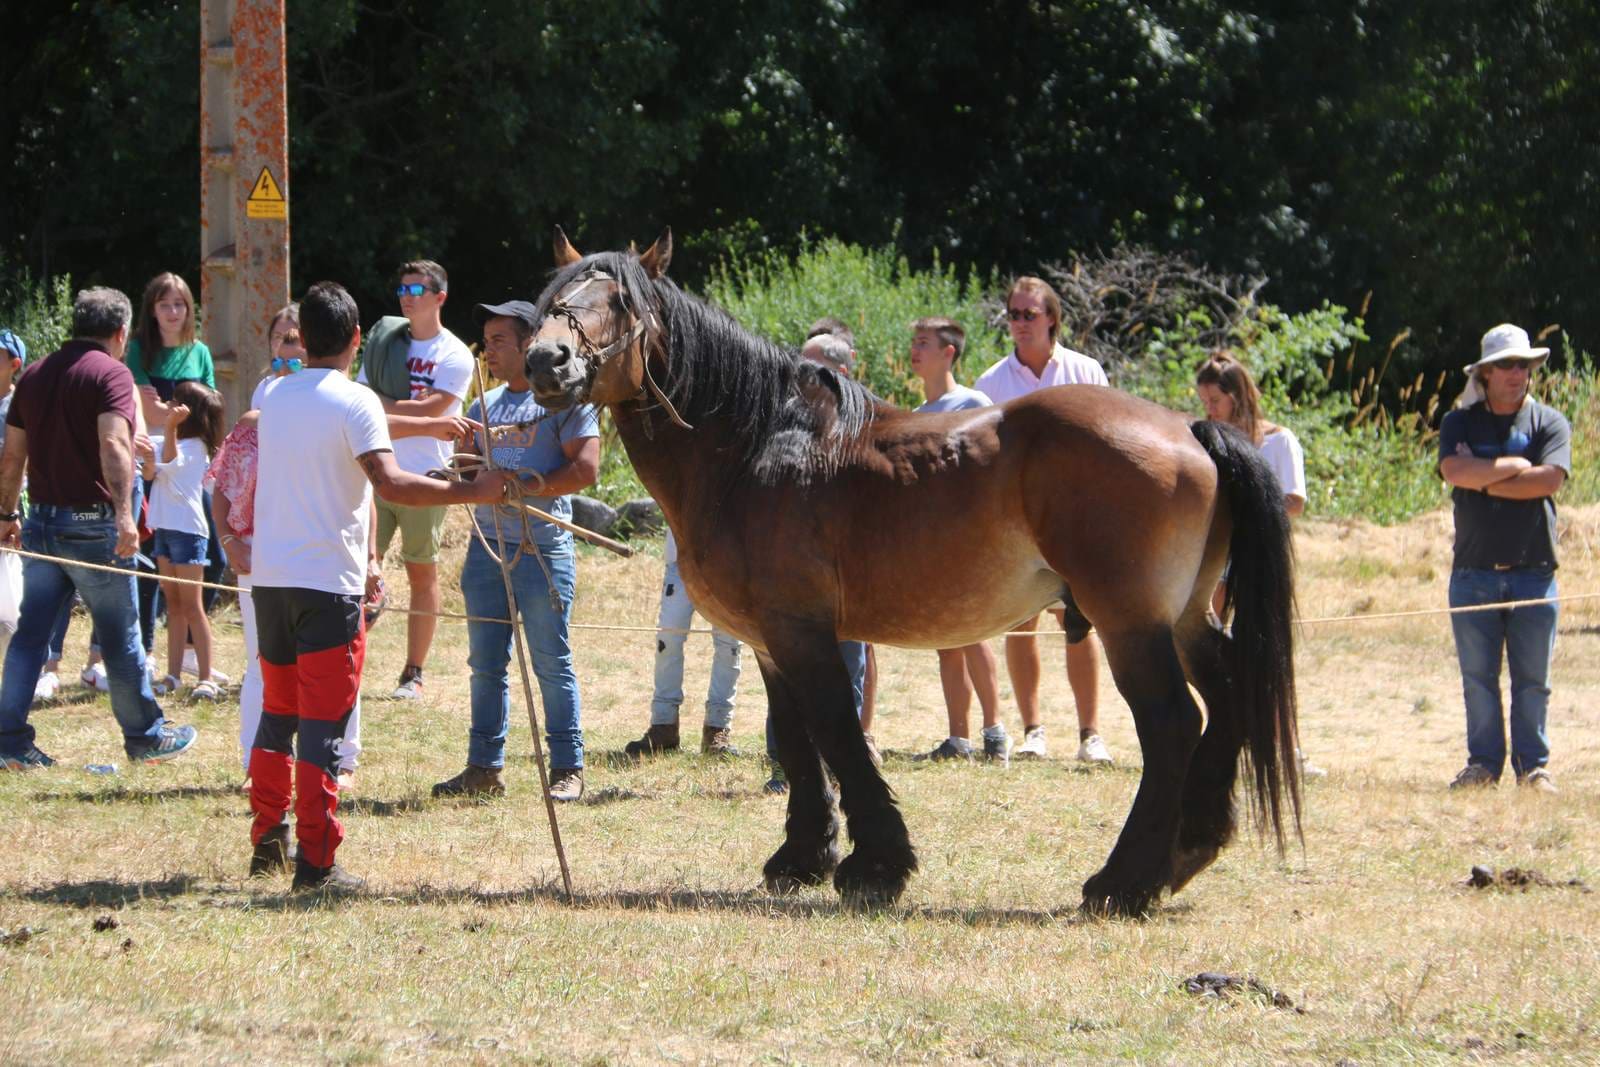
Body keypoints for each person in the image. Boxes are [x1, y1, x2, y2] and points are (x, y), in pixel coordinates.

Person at [246, 281, 515, 890]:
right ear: (358, 340)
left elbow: (339, 419)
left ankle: (268, 837)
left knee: (277, 713)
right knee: (321, 726)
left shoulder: (274, 393)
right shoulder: (356, 401)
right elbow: (390, 482)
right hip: (326, 587)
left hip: (271, 582)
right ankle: (316, 865)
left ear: (303, 336)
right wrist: (471, 490)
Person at [0, 287, 198, 769]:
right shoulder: (111, 373)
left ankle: (7, 742)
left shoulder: (35, 375)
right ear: (120, 332)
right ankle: (145, 737)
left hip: (44, 523)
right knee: (120, 633)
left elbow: (12, 456)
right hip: (96, 525)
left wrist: (6, 515)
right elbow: (114, 444)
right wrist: (125, 517)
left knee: (31, 635)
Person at [432, 300, 599, 803]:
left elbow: (586, 469)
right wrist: (463, 465)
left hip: (541, 550)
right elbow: (467, 472)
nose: (488, 352)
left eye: (499, 340)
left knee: (551, 662)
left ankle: (567, 767)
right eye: (485, 342)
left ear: (530, 343)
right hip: (488, 552)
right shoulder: (481, 407)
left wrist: (524, 486)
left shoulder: (565, 402)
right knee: (485, 663)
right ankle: (484, 767)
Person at [973, 276, 1112, 765]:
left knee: (1081, 624)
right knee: (1021, 625)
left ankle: (1091, 734)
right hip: (1018, 527)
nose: (1019, 323)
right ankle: (1032, 730)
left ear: (1052, 317)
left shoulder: (1086, 371)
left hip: (1078, 522)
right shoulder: (991, 384)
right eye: (1013, 314)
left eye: (1029, 314)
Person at [1437, 323, 1569, 794]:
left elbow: (1548, 481)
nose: (1518, 373)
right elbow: (1454, 469)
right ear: (1486, 374)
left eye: (1524, 365)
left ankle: (1534, 769)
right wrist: (1514, 468)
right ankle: (1483, 766)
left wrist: (1485, 476)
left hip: (1535, 571)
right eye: (1507, 365)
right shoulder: (1458, 422)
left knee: (1533, 679)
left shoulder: (1550, 422)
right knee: (1478, 679)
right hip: (1472, 572)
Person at [1194, 350, 1323, 778]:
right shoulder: (1206, 442)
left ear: (1237, 395)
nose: (1209, 409)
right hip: (1217, 559)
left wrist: (1248, 514)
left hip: (1259, 560)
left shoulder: (1278, 441)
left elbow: (1294, 502)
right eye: (1205, 401)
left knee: (1266, 650)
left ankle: (1288, 747)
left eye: (1215, 400)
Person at [355, 259, 475, 702]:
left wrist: (386, 408)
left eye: (417, 289)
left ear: (440, 297)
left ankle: (413, 672)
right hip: (374, 471)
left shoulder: (454, 353)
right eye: (403, 288)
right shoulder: (384, 341)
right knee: (359, 569)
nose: (407, 296)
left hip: (424, 476)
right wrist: (402, 406)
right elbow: (363, 398)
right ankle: (349, 658)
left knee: (422, 572)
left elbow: (435, 411)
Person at [906, 317, 1009, 764]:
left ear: (949, 353)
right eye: (913, 342)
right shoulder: (914, 418)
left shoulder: (974, 402)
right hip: (930, 546)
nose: (915, 350)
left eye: (924, 343)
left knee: (973, 635)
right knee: (946, 639)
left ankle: (995, 733)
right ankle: (958, 738)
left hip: (970, 542)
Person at [126, 271, 223, 679]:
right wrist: (175, 417)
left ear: (189, 310)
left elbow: (213, 408)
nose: (172, 312)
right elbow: (147, 413)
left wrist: (169, 413)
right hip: (152, 459)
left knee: (212, 558)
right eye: (164, 304)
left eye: (180, 304)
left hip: (190, 464)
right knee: (151, 563)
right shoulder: (138, 349)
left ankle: (189, 651)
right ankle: (150, 650)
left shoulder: (199, 351)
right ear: (152, 309)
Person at [622, 526, 743, 758]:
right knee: (667, 640)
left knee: (729, 645)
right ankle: (663, 724)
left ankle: (718, 727)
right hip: (681, 557)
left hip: (731, 558)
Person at [141, 381, 226, 699]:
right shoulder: (170, 439)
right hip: (164, 528)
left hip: (188, 532)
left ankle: (206, 677)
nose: (167, 403)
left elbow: (171, 463)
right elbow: (152, 473)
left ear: (187, 412)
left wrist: (169, 427)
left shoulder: (196, 447)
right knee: (173, 604)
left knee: (192, 606)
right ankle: (173, 674)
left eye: (174, 401)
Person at [0, 329, 26, 661]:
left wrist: (10, 513)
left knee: (11, 601)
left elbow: (20, 462)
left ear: (14, 364)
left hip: (11, 509)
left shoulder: (19, 406)